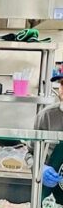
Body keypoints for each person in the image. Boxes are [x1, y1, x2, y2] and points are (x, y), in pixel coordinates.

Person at [36, 72, 63, 201]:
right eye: (62, 84)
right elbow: (30, 153)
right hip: (50, 201)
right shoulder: (47, 116)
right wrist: (40, 168)